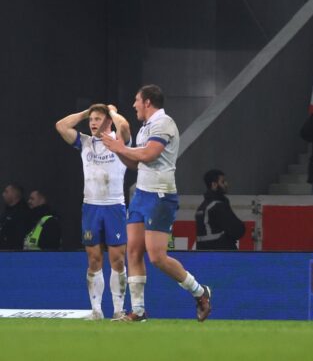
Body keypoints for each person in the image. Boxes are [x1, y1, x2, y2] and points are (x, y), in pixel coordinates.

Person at [102, 84, 211, 322]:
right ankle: (138, 311)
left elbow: (149, 155)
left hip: (160, 195)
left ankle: (200, 292)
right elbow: (136, 163)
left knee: (157, 257)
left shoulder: (164, 123)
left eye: (136, 100)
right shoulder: (145, 129)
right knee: (133, 251)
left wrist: (120, 146)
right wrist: (117, 150)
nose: (134, 105)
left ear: (148, 102)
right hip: (141, 194)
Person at [55, 103, 131, 320]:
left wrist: (112, 112)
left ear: (108, 121)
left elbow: (124, 125)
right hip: (91, 206)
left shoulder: (120, 141)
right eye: (91, 120)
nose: (93, 123)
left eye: (98, 119)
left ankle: (118, 309)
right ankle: (96, 310)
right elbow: (61, 126)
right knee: (94, 259)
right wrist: (85, 113)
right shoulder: (85, 142)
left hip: (114, 206)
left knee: (117, 259)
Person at [195, 169, 245, 250]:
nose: (226, 184)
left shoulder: (202, 207)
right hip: (222, 254)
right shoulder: (217, 206)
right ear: (214, 184)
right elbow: (237, 230)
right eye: (223, 182)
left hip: (206, 255)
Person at [0, 184, 31, 250]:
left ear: (14, 194)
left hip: (15, 253)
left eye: (6, 192)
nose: (3, 194)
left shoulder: (23, 212)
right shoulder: (6, 211)